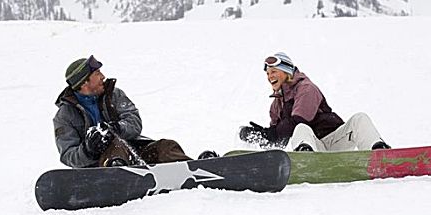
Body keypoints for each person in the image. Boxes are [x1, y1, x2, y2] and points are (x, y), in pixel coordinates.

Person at [53, 55, 211, 168]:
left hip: (135, 152)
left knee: (166, 147)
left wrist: (118, 128)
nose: (103, 77)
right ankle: (118, 174)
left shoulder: (114, 95)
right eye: (97, 74)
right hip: (98, 166)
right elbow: (68, 155)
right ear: (84, 82)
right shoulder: (64, 117)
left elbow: (134, 121)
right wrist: (88, 149)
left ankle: (195, 169)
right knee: (114, 145)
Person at [239, 52, 391, 152]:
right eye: (267, 73)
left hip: (335, 142)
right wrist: (263, 137)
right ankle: (306, 157)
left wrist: (271, 133)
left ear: (286, 72)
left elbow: (299, 120)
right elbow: (279, 140)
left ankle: (378, 153)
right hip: (315, 148)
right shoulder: (276, 105)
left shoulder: (306, 88)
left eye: (273, 72)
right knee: (301, 130)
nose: (269, 76)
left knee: (359, 118)